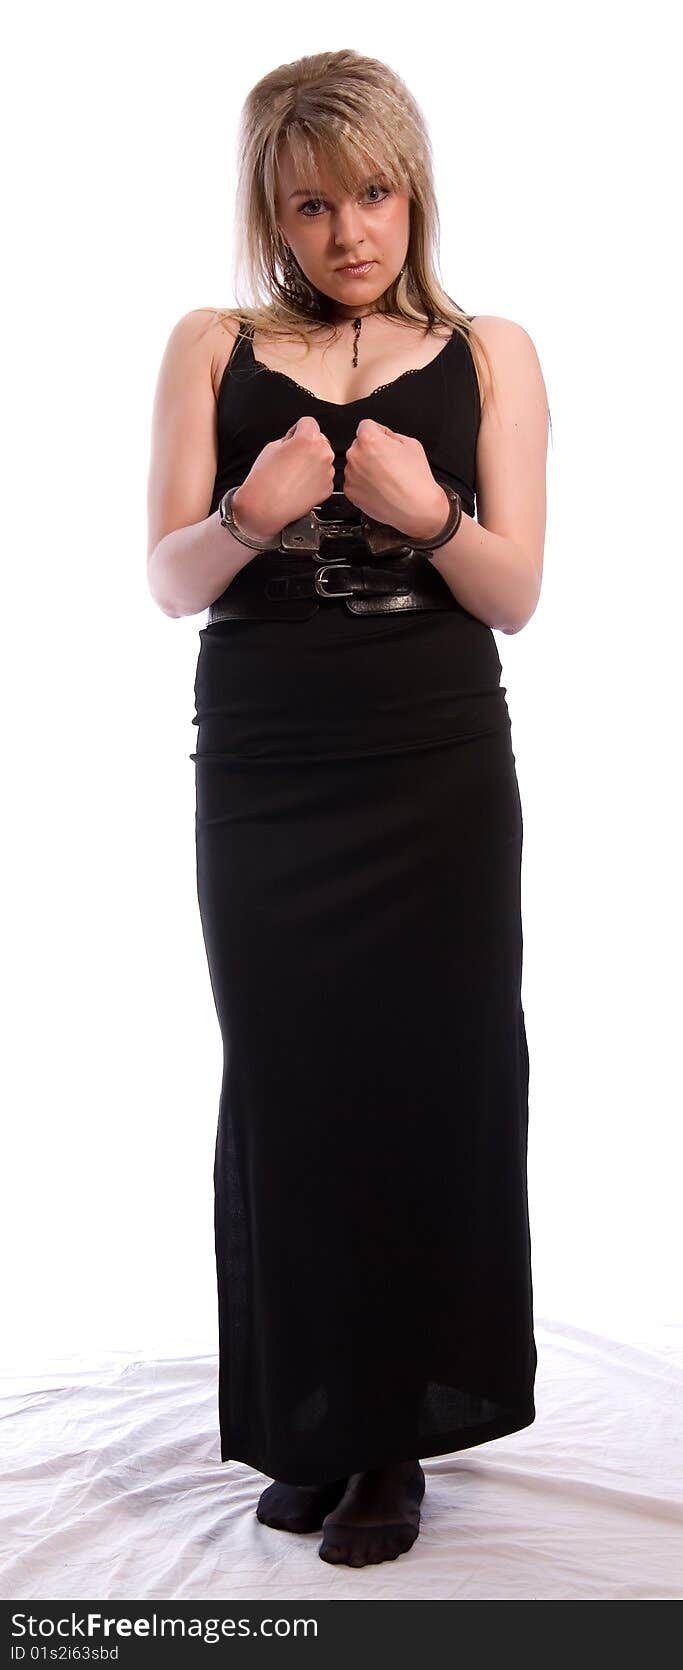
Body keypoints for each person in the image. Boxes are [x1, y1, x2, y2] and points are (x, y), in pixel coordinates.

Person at [146, 48, 549, 1570]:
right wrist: (248, 514)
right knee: (290, 1072)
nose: (349, 232)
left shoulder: (491, 348)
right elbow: (168, 578)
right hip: (267, 754)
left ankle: (397, 1435)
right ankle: (308, 1414)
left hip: (435, 753)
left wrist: (426, 511)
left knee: (436, 1073)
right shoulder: (210, 342)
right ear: (275, 209)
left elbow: (516, 591)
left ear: (413, 186)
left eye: (373, 193)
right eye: (313, 204)